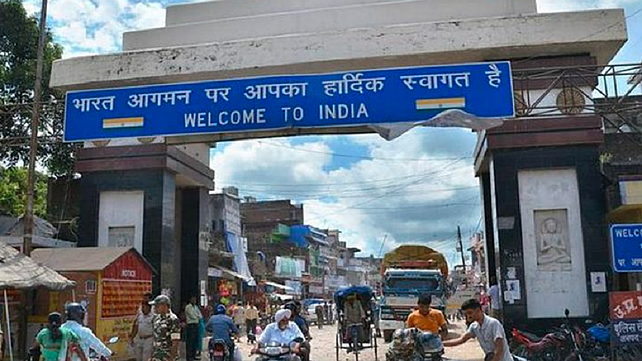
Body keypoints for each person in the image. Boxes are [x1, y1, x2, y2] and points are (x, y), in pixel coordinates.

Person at [443, 299, 512, 361]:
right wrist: (441, 343)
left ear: (478, 310)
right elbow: (461, 340)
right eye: (466, 314)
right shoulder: (474, 326)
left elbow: (499, 349)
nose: (468, 316)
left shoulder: (493, 323)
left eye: (470, 313)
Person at [150, 295, 181, 361]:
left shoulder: (173, 320)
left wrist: (171, 358)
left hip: (167, 357)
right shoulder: (157, 319)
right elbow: (155, 339)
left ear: (164, 305)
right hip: (157, 357)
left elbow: (175, 342)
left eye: (157, 306)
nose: (155, 308)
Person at [185, 296, 203, 361]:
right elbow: (192, 316)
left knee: (195, 341)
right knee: (190, 342)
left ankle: (193, 355)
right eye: (193, 300)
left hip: (196, 325)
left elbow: (200, 315)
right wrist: (197, 316)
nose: (194, 301)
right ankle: (189, 357)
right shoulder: (188, 307)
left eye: (195, 300)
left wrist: (197, 316)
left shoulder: (196, 307)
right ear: (190, 300)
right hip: (190, 325)